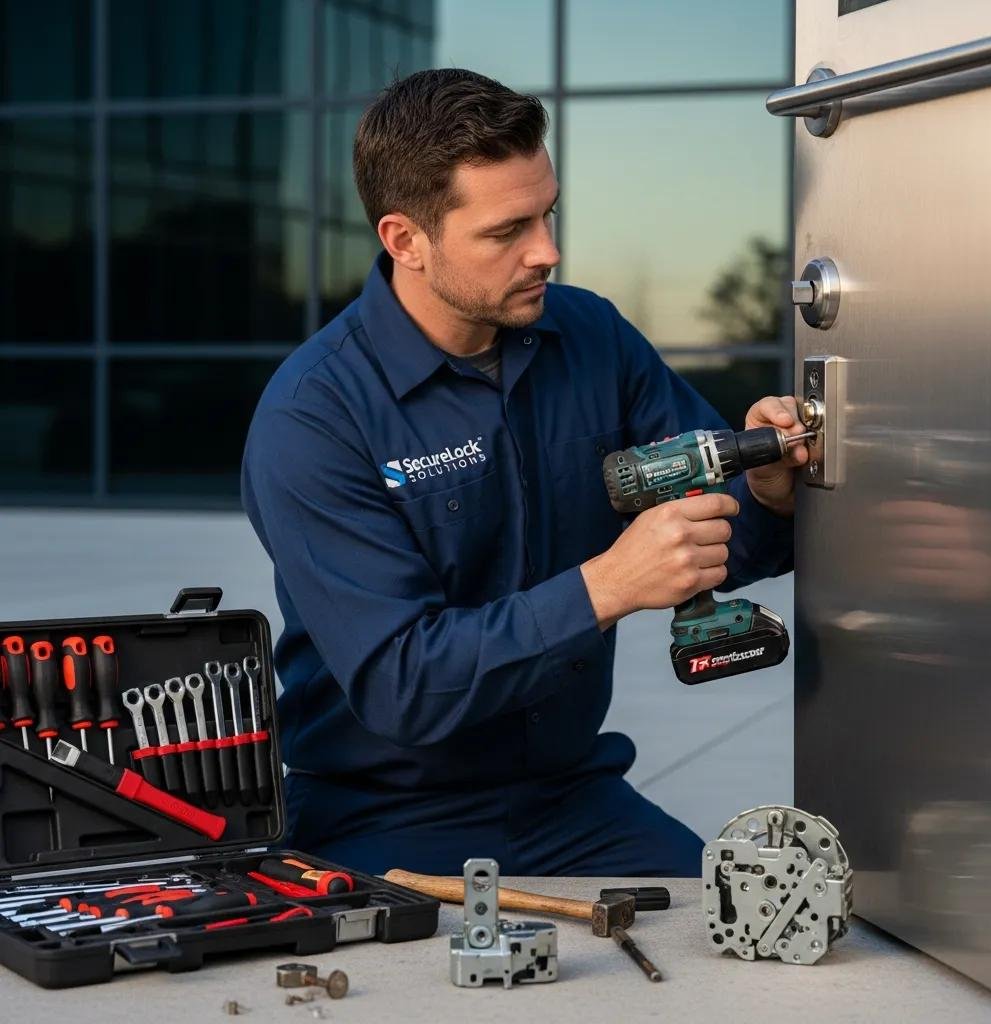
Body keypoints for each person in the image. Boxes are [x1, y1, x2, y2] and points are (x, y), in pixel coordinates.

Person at [242, 68, 807, 876]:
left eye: (548, 214)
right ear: (405, 241)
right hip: (381, 818)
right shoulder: (315, 417)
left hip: (573, 802)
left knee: (726, 935)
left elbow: (718, 537)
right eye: (508, 230)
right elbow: (402, 682)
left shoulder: (594, 339)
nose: (547, 251)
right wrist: (607, 586)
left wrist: (767, 494)